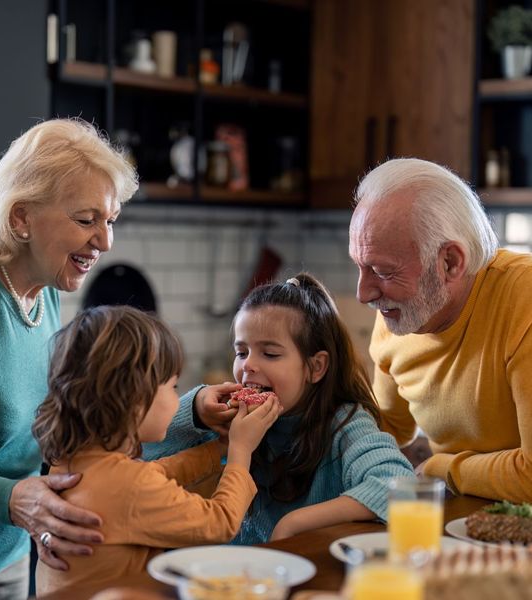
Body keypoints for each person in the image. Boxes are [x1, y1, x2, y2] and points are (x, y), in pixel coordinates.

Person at [0, 118, 138, 599]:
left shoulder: (41, 286)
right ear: (21, 218)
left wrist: (190, 412)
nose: (105, 242)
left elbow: (53, 418)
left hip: (9, 554)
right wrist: (10, 500)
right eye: (86, 220)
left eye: (110, 221)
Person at [146, 273, 414, 542]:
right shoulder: (229, 420)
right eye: (241, 352)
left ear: (316, 367)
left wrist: (294, 523)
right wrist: (196, 411)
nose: (248, 365)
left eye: (270, 354)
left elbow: (401, 486)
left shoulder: (344, 423)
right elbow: (135, 456)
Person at [33, 305, 282, 595]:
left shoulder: (73, 460)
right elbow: (220, 522)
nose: (178, 402)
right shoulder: (131, 486)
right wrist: (240, 451)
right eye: (173, 387)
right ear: (135, 397)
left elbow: (151, 474)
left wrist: (219, 448)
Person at [348, 157, 532, 502]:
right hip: (461, 523)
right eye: (361, 267)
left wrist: (440, 468)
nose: (364, 293)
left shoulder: (524, 302)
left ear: (450, 262)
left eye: (384, 272)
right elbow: (387, 428)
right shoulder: (399, 314)